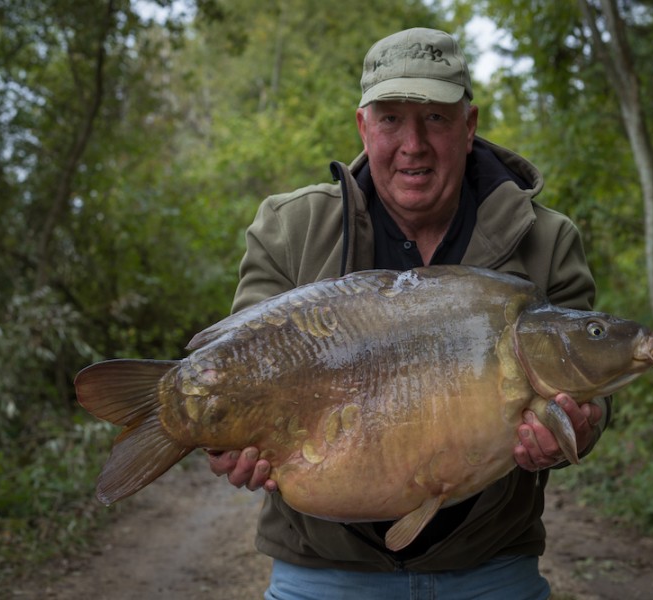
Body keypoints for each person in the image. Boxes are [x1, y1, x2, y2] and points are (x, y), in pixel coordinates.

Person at [207, 27, 610, 599]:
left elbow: (590, 385)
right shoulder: (289, 230)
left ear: (469, 126)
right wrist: (231, 443)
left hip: (490, 568)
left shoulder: (545, 239)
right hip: (322, 571)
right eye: (391, 118)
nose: (413, 144)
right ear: (363, 126)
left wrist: (581, 427)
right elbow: (238, 374)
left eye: (436, 118)